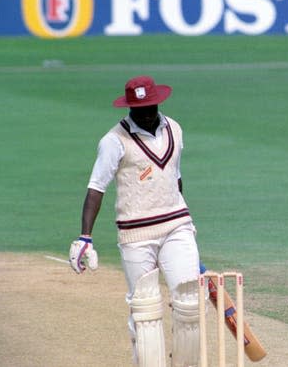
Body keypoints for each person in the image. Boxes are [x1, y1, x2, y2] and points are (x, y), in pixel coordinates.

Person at [69, 76, 202, 365]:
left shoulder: (175, 129)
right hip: (136, 234)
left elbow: (175, 179)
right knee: (145, 312)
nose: (145, 114)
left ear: (158, 102)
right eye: (138, 108)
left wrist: (183, 221)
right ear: (128, 107)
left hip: (177, 226)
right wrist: (85, 237)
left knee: (190, 304)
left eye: (149, 107)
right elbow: (96, 187)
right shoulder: (113, 141)